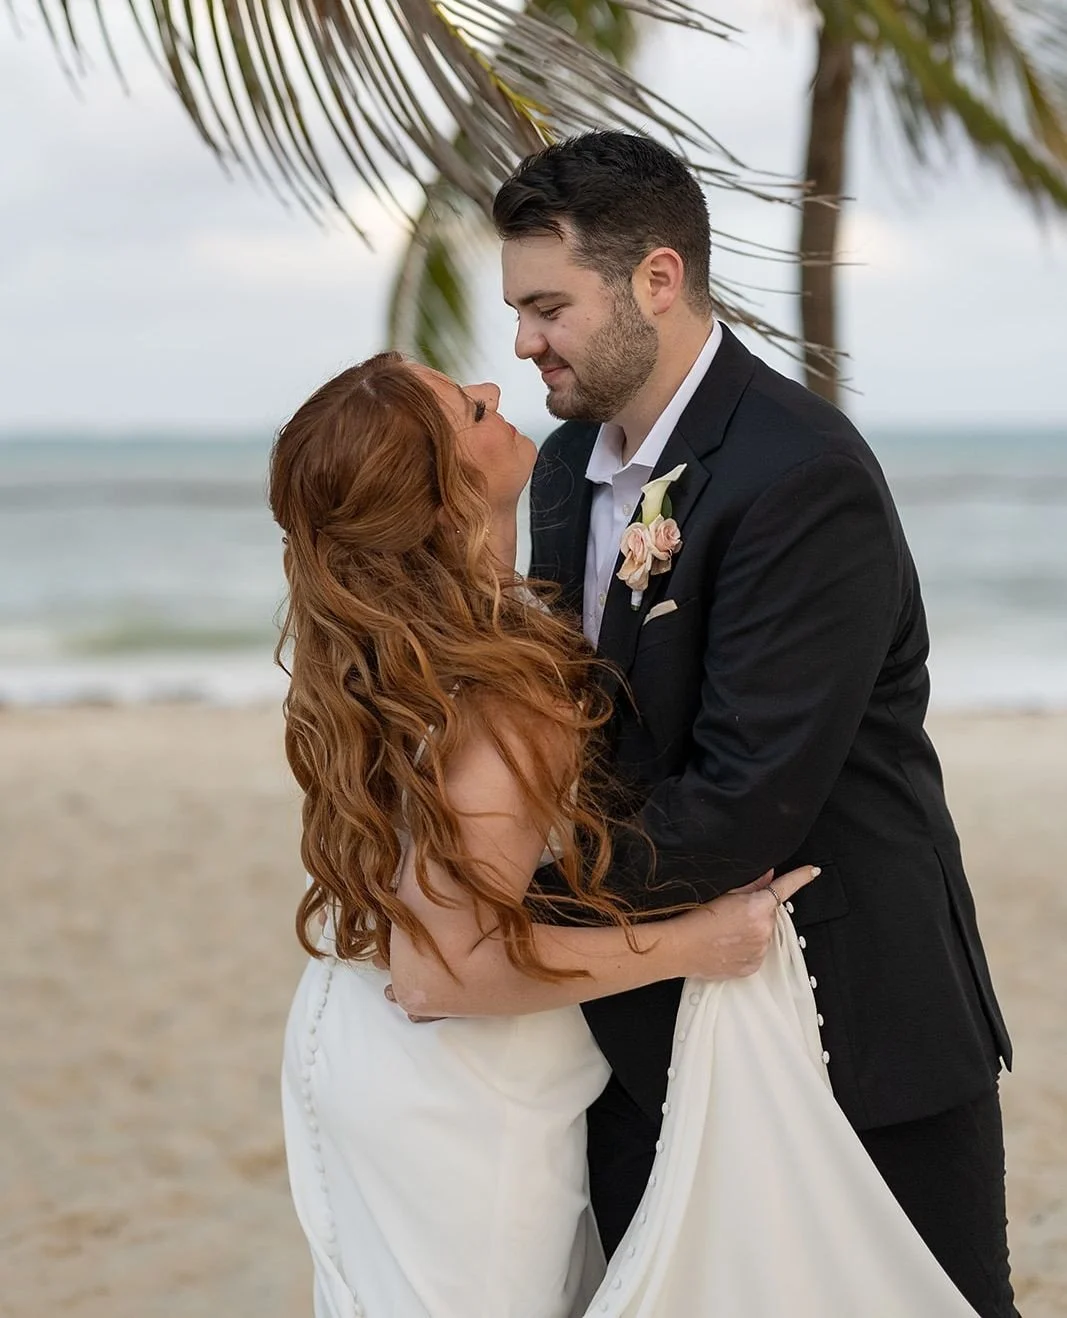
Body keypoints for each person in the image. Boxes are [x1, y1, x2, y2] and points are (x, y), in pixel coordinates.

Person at [494, 130, 1016, 1316]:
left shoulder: (798, 471)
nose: (522, 341)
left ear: (656, 279)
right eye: (518, 310)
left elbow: (741, 802)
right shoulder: (564, 465)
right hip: (641, 1029)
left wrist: (502, 900)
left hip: (851, 1022)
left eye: (546, 306)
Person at [270, 352, 820, 1318]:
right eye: (469, 410)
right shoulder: (501, 693)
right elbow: (438, 975)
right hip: (456, 1079)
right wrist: (697, 944)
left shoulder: (404, 648)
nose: (495, 392)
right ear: (443, 496)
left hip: (358, 1030)